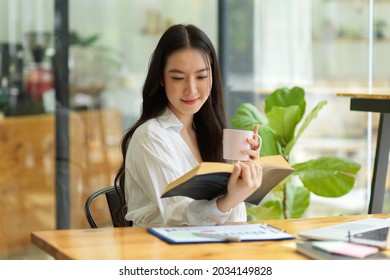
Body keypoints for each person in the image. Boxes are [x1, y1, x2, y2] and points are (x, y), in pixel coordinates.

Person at [114, 24, 262, 227]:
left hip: (209, 252)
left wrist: (242, 174)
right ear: (161, 79)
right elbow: (177, 217)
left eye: (201, 76)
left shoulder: (209, 134)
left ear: (212, 77)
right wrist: (228, 200)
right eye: (178, 78)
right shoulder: (150, 137)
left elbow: (235, 223)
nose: (191, 89)